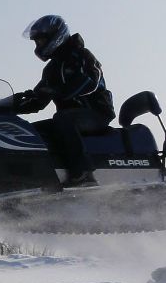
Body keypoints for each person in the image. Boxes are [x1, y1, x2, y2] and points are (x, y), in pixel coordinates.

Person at [13, 14, 115, 186]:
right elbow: (39, 99)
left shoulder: (81, 55)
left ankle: (83, 174)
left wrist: (59, 91)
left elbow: (91, 81)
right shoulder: (52, 68)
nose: (39, 46)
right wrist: (9, 105)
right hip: (70, 118)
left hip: (96, 113)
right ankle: (38, 179)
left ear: (55, 36)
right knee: (29, 131)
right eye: (37, 42)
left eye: (41, 40)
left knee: (63, 119)